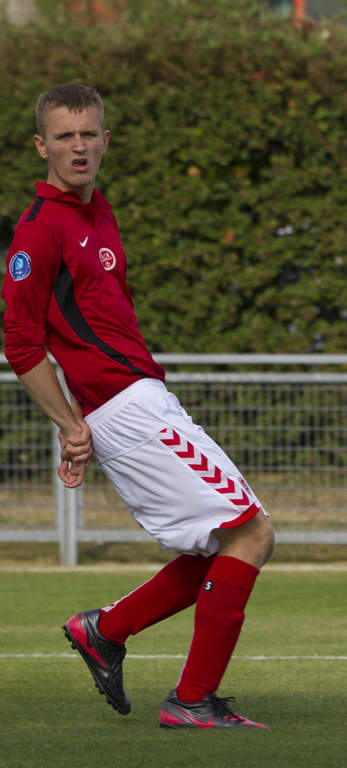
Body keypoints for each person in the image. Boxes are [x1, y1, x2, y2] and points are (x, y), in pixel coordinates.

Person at [2, 84, 274, 729]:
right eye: (64, 136)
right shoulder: (38, 234)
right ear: (42, 145)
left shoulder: (100, 212)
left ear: (105, 140)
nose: (78, 146)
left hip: (141, 398)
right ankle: (189, 700)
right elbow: (19, 343)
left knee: (223, 545)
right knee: (252, 532)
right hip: (125, 408)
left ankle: (106, 630)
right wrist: (73, 426)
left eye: (89, 133)